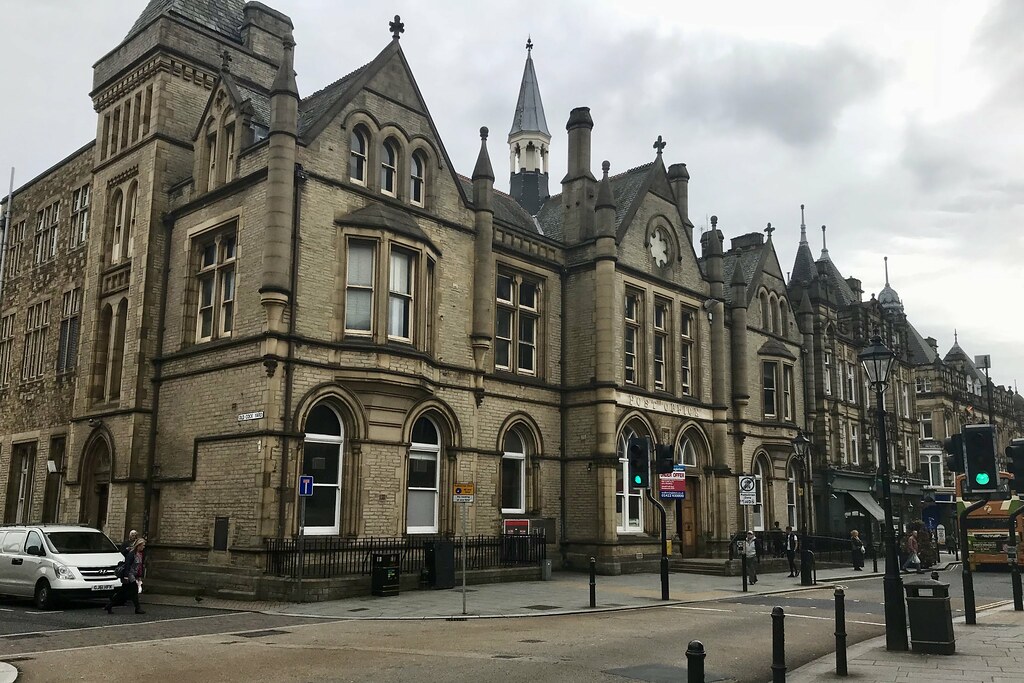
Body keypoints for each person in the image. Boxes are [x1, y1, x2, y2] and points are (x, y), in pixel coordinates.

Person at [105, 537, 146, 615]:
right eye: (143, 545)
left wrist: (139, 576)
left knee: (122, 592)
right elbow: (128, 565)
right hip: (130, 575)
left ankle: (109, 605)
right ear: (138, 545)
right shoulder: (131, 554)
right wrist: (126, 576)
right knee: (134, 591)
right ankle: (138, 608)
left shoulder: (139, 554)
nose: (144, 547)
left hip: (133, 575)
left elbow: (139, 567)